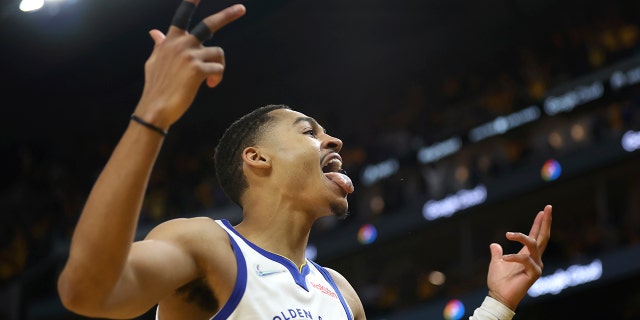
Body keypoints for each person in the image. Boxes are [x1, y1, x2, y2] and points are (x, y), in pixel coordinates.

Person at [56, 1, 553, 319]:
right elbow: (87, 291)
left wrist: (496, 306)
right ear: (257, 158)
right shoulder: (205, 246)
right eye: (308, 131)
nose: (334, 140)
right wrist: (152, 115)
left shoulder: (339, 293)